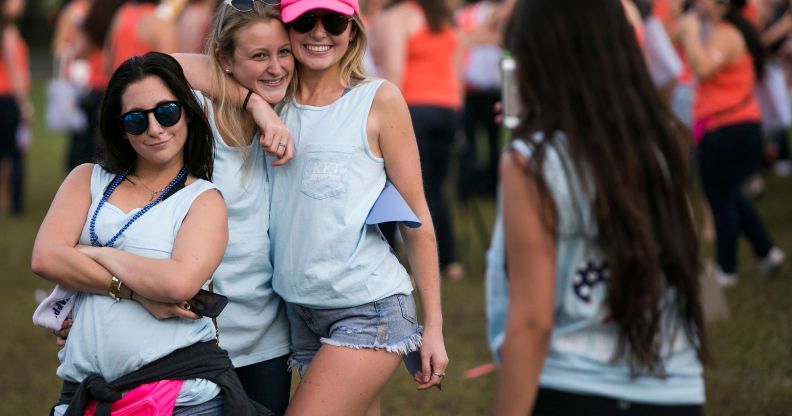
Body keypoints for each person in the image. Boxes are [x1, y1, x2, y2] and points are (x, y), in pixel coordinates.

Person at [488, 0, 709, 414]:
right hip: (675, 388)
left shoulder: (532, 164)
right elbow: (685, 262)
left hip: (574, 386)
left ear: (540, 61)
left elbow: (533, 322)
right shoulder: (663, 145)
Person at [239, 0, 448, 413]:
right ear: (286, 27)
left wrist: (435, 328)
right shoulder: (271, 98)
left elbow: (417, 218)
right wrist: (255, 104)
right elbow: (182, 66)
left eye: (334, 21)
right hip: (298, 311)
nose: (319, 32)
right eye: (305, 20)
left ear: (352, 29)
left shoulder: (378, 99)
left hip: (368, 308)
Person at [31, 52, 266, 415]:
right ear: (121, 128)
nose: (155, 129)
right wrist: (135, 292)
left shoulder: (203, 200)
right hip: (86, 395)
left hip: (181, 400)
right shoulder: (86, 179)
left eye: (167, 112)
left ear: (188, 112)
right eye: (137, 119)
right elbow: (46, 257)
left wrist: (90, 251)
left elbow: (178, 284)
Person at [173, 2, 295, 414]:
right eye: (259, 55)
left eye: (284, 52)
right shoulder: (195, 114)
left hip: (268, 335)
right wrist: (252, 103)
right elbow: (153, 65)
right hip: (197, 332)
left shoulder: (295, 106)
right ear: (224, 60)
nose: (276, 67)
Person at [678, 0, 785, 286]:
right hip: (732, 125)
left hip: (727, 126)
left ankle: (727, 268)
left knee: (720, 198)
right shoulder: (725, 31)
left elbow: (703, 68)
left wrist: (690, 34)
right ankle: (767, 251)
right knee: (729, 194)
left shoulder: (726, 35)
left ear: (722, 4)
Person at [373, 0, 465, 280]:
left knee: (398, 188)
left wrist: (382, 113)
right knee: (435, 188)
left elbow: (394, 71)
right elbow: (456, 69)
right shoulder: (443, 18)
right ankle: (449, 260)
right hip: (447, 110)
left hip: (414, 109)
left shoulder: (398, 17)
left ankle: (389, 258)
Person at [0, 0, 31, 215]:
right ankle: (11, 202)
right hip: (8, 98)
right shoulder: (9, 32)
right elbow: (15, 71)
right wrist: (24, 104)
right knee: (12, 153)